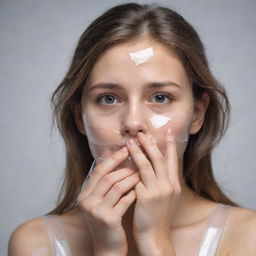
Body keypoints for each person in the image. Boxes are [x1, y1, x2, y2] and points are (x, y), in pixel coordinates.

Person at [8, 3, 256, 256]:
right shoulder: (36, 244)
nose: (133, 123)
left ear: (197, 114)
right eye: (108, 98)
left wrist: (154, 241)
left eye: (160, 97)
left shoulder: (246, 236)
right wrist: (107, 250)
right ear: (79, 118)